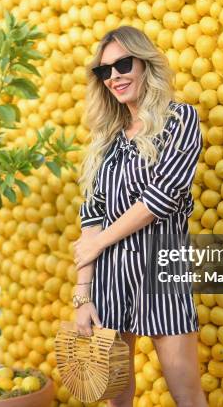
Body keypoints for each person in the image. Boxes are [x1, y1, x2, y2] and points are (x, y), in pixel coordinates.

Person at [73, 26, 207, 407]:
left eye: (123, 64)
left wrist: (100, 239)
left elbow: (162, 196)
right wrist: (82, 296)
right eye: (104, 71)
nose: (114, 76)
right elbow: (91, 217)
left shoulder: (181, 120)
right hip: (109, 279)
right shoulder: (107, 139)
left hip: (162, 274)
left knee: (188, 395)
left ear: (145, 64)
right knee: (117, 399)